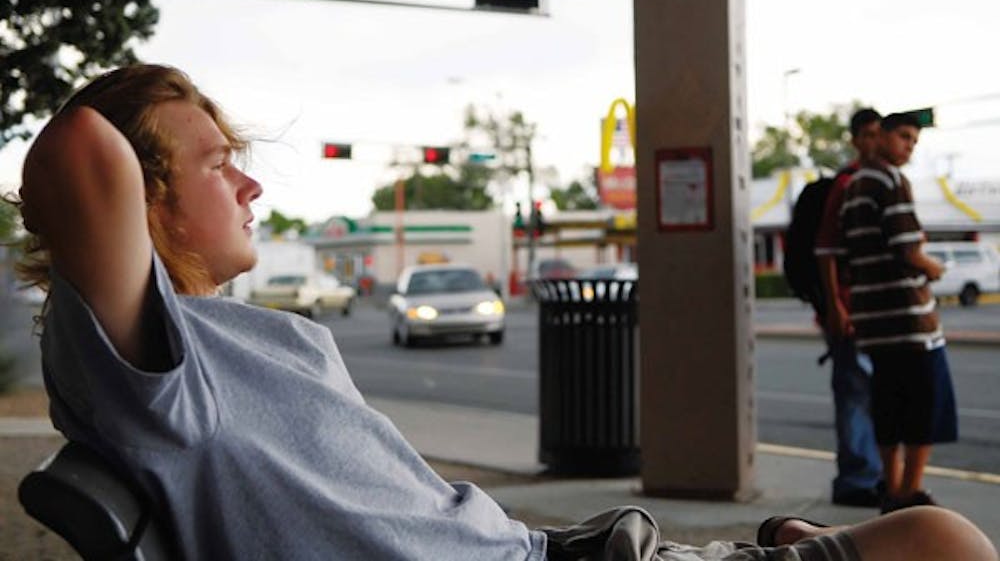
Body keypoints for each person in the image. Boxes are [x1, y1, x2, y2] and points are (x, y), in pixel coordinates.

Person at [11, 65, 996, 561]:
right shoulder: (157, 369)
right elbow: (74, 150)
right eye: (220, 164)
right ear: (143, 201)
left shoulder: (213, 347)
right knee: (938, 542)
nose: (255, 185)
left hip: (556, 552)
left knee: (926, 538)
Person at [837, 111, 958, 514]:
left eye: (914, 141)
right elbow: (908, 249)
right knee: (925, 406)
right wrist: (934, 267)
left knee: (887, 408)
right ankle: (910, 492)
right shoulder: (890, 180)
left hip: (874, 322)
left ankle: (891, 488)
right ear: (883, 137)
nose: (908, 146)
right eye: (904, 137)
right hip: (910, 321)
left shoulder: (855, 184)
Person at [813, 108, 884, 507]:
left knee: (872, 394)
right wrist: (836, 306)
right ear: (857, 138)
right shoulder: (847, 182)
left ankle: (870, 474)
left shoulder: (876, 180)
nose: (877, 142)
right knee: (855, 393)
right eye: (869, 134)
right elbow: (826, 249)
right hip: (850, 310)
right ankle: (857, 479)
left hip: (872, 311)